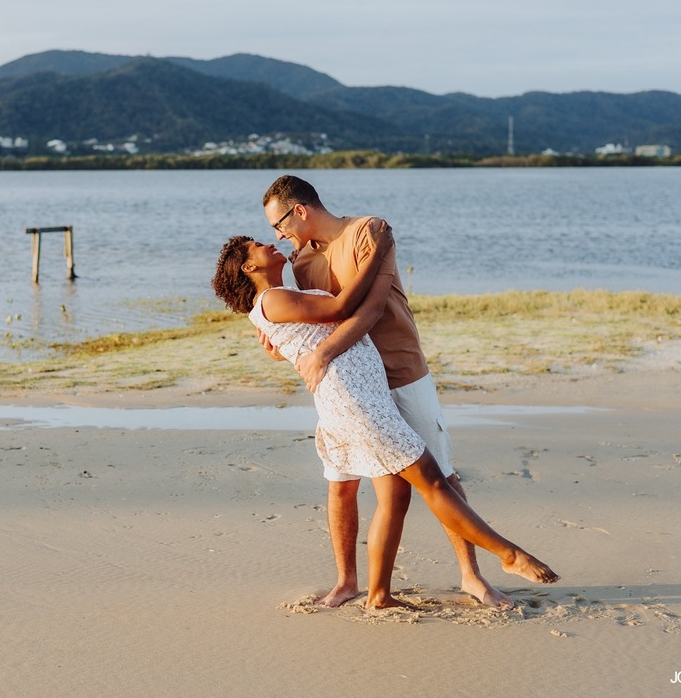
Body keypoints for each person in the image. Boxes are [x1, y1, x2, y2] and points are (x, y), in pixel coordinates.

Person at [211, 236, 559, 609]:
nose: (270, 242)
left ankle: (378, 595)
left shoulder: (278, 297)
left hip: (364, 399)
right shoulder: (272, 300)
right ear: (249, 268)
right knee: (432, 480)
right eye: (258, 245)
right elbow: (342, 306)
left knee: (396, 494)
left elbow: (300, 338)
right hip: (356, 404)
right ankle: (508, 555)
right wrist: (376, 256)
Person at [261, 174, 514, 609]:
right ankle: (346, 582)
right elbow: (314, 322)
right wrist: (281, 341)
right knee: (341, 483)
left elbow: (370, 309)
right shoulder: (300, 262)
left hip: (399, 371)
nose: (278, 235)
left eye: (279, 223)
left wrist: (321, 354)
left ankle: (472, 576)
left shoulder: (368, 231)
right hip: (348, 386)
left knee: (443, 476)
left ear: (299, 210)